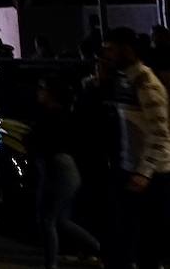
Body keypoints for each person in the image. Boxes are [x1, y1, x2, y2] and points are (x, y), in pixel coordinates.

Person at [101, 27, 170, 269]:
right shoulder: (125, 79)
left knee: (145, 243)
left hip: (148, 175)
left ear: (126, 49)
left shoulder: (145, 82)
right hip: (131, 169)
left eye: (110, 49)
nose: (106, 54)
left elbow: (161, 133)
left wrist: (144, 172)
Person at [27, 77, 100, 269]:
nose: (39, 92)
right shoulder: (63, 115)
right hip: (67, 170)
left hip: (58, 169)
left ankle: (51, 264)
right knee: (61, 220)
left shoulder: (51, 116)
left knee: (48, 220)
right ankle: (98, 249)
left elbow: (39, 142)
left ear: (52, 95)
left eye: (43, 89)